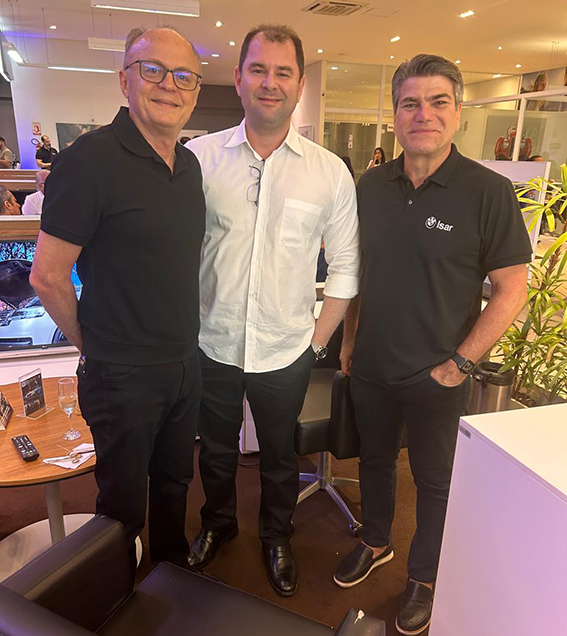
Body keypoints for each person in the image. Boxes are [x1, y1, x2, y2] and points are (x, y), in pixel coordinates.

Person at [333, 54, 532, 635]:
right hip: (372, 364)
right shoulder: (371, 186)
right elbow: (357, 271)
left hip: (438, 373)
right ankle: (376, 541)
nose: (424, 114)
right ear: (395, 115)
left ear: (458, 112)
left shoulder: (488, 191)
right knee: (373, 461)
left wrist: (460, 364)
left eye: (438, 102)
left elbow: (512, 288)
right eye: (410, 103)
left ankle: (423, 574)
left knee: (434, 479)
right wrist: (350, 341)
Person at [186, 24, 359, 597]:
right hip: (211, 341)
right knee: (215, 451)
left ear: (299, 84)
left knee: (281, 457)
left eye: (283, 72)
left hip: (287, 348)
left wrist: (315, 343)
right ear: (238, 77)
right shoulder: (198, 159)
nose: (270, 82)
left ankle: (276, 536)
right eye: (258, 69)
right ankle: (218, 524)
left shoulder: (329, 172)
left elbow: (346, 268)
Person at [30, 26, 205, 581]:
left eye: (184, 76)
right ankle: (117, 595)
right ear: (125, 80)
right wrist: (95, 344)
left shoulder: (190, 166)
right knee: (123, 504)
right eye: (153, 69)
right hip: (121, 372)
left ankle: (170, 575)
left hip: (184, 360)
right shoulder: (90, 161)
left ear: (195, 91)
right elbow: (47, 277)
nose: (169, 85)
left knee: (175, 482)